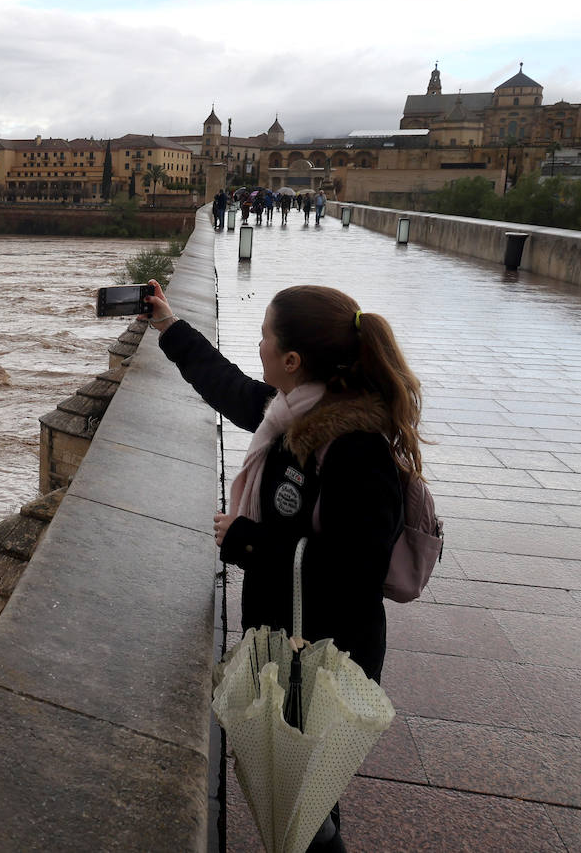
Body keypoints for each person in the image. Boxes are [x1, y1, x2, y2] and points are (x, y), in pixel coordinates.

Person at [144, 281, 420, 853]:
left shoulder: (354, 446)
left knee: (305, 809)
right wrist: (168, 325)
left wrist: (248, 541)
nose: (259, 345)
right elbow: (228, 387)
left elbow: (355, 568)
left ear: (292, 360)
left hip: (328, 652)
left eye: (266, 336)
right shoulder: (292, 412)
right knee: (301, 794)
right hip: (290, 638)